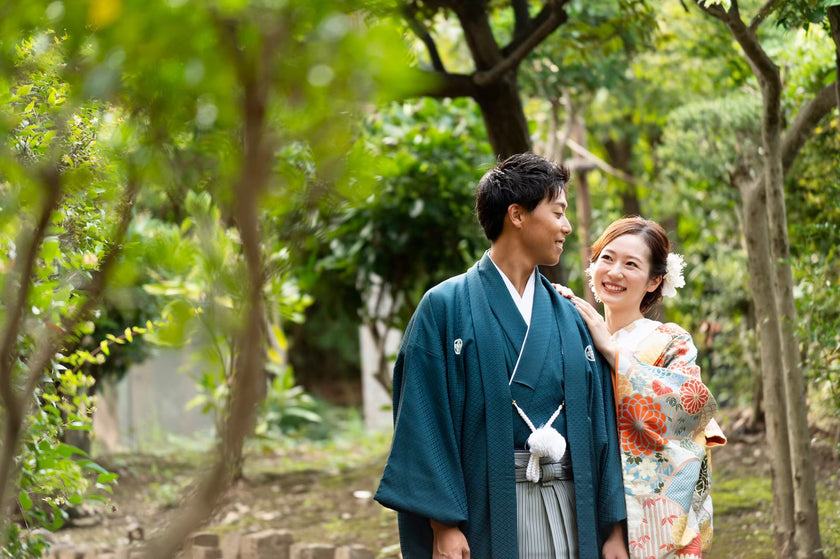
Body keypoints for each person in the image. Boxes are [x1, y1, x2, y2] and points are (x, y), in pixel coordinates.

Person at [374, 153, 628, 559]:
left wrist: (613, 528)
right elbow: (423, 420)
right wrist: (443, 524)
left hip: (571, 506)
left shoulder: (571, 314)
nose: (567, 226)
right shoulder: (444, 307)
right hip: (483, 510)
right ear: (517, 215)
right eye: (558, 212)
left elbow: (602, 425)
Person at [560, 217, 726, 559]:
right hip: (572, 501)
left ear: (654, 281)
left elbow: (686, 417)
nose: (614, 272)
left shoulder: (670, 341)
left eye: (631, 264)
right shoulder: (571, 328)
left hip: (641, 521)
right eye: (607, 258)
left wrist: (612, 352)